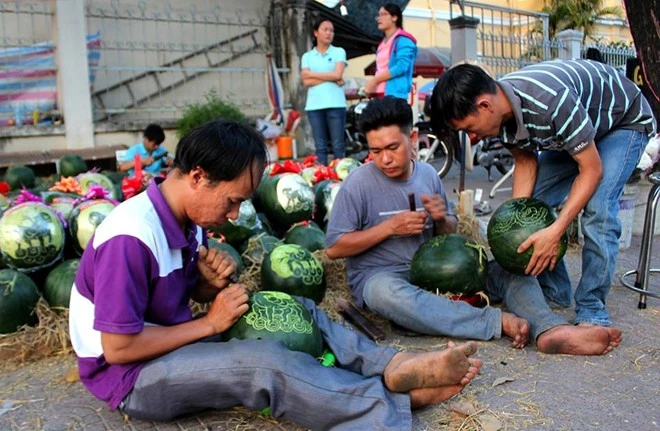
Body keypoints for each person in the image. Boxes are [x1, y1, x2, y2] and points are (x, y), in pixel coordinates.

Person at [68, 119, 483, 429]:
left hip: (164, 345)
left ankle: (391, 365)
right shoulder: (131, 237)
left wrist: (206, 284)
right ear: (197, 176)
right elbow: (119, 348)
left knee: (293, 307)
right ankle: (387, 404)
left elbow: (168, 295)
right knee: (261, 363)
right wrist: (210, 323)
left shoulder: (184, 220)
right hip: (130, 379)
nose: (233, 216)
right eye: (231, 201)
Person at [325, 96, 622, 355]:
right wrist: (389, 228)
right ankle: (494, 322)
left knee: (511, 268)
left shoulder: (427, 174)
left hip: (439, 277)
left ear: (413, 138)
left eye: (392, 147)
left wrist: (442, 218)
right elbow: (336, 247)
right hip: (385, 278)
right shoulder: (357, 184)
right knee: (383, 294)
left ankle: (549, 330)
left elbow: (448, 233)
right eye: (375, 151)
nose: (385, 159)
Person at [430, 61, 657, 328]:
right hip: (578, 132)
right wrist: (513, 227)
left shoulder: (549, 101)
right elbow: (526, 163)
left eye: (469, 128)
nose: (471, 137)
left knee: (599, 210)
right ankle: (555, 291)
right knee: (531, 212)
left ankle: (592, 308)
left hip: (622, 123)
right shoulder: (502, 115)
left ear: (484, 105)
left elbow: (591, 169)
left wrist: (557, 229)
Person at [300, 18, 347, 166]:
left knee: (338, 145)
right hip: (314, 106)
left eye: (331, 30)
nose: (329, 33)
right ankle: (322, 177)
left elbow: (338, 75)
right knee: (320, 147)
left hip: (336, 104)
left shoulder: (339, 52)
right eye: (325, 29)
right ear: (316, 33)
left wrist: (313, 74)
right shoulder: (307, 56)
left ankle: (340, 177)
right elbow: (305, 81)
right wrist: (331, 77)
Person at [364, 3, 417, 100]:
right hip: (378, 93)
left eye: (383, 14)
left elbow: (401, 67)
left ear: (394, 17)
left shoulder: (404, 40)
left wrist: (375, 80)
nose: (379, 18)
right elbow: (380, 69)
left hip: (394, 94)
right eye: (378, 15)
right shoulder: (382, 43)